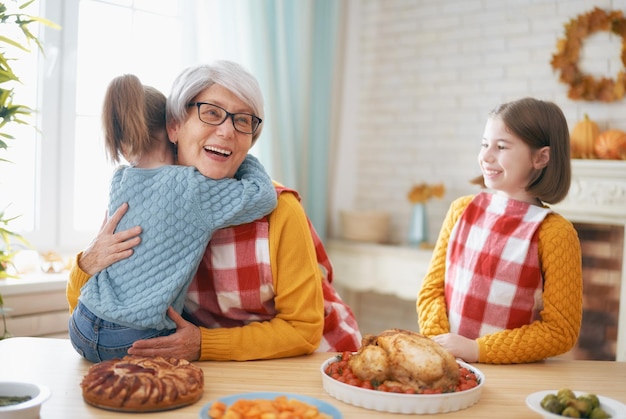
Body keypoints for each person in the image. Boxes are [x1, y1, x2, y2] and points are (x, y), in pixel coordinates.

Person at [67, 61, 362, 362]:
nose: (227, 131)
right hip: (221, 369)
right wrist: (88, 263)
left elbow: (304, 330)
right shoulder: (145, 200)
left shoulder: (280, 209)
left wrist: (203, 344)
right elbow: (94, 312)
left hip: (314, 363)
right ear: (174, 126)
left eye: (243, 121)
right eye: (211, 113)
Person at [68, 74, 277, 363]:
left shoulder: (119, 180)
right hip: (132, 339)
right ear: (172, 129)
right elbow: (264, 196)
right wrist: (242, 155)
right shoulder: (192, 187)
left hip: (82, 325)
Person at [417, 97, 583, 364]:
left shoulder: (555, 234)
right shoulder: (460, 210)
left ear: (541, 157)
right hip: (450, 366)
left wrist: (476, 350)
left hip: (512, 376)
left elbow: (560, 331)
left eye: (501, 146)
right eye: (484, 144)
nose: (485, 156)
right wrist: (444, 346)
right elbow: (431, 291)